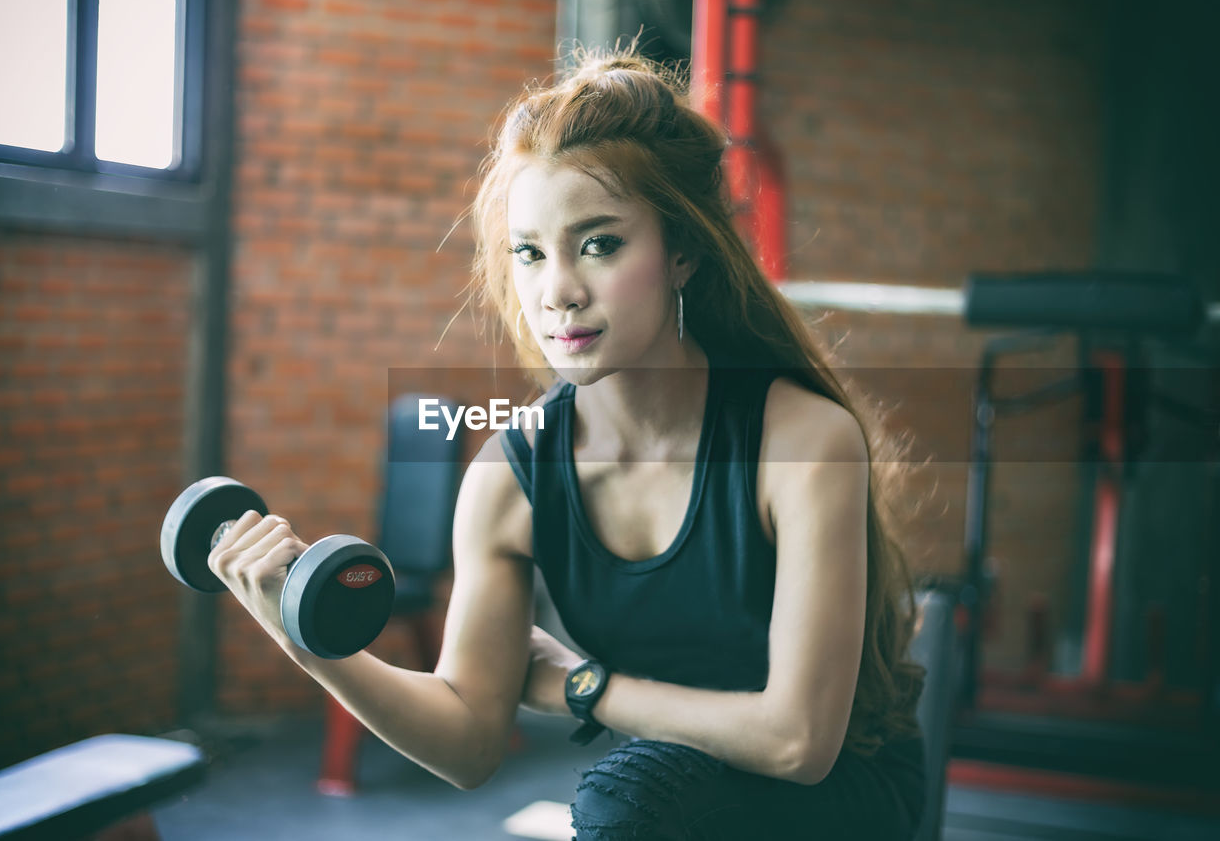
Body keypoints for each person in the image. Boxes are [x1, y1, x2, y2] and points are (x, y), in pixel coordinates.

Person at [208, 47, 927, 840]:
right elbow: (469, 741)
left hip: (843, 799)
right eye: (530, 252)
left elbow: (800, 742)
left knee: (626, 800)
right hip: (684, 786)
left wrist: (580, 686)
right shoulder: (508, 479)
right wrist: (308, 638)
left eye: (600, 244)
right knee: (637, 796)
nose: (558, 290)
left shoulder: (802, 441)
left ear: (681, 250)